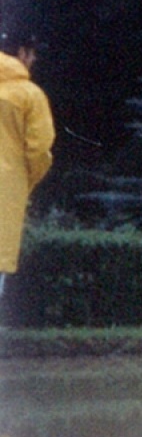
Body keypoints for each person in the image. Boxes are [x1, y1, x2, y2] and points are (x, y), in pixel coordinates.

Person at [0, 40, 55, 298]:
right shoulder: (30, 95)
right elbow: (39, 151)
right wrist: (24, 182)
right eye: (31, 55)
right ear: (22, 53)